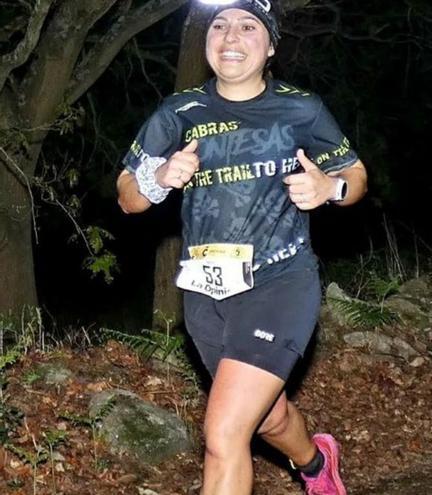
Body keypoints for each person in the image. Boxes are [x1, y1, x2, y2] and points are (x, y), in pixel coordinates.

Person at [116, 1, 366, 493]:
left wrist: (329, 190)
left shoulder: (301, 108)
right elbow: (127, 196)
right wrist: (159, 178)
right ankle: (317, 465)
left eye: (248, 27)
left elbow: (354, 174)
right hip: (204, 294)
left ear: (270, 46)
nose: (231, 37)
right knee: (267, 417)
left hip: (279, 281)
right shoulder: (179, 111)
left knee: (224, 432)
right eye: (220, 26)